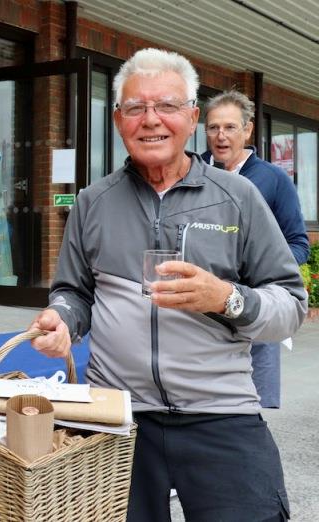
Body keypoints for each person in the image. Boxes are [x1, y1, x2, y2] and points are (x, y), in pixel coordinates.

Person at [30, 48, 306, 521]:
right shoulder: (93, 202)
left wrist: (227, 297)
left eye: (167, 106)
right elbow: (73, 292)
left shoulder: (238, 198)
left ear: (193, 117)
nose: (150, 120)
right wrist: (63, 320)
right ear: (118, 120)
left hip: (221, 412)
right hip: (115, 416)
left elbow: (291, 305)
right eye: (136, 108)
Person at [201, 90, 309, 408]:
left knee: (250, 409)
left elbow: (298, 243)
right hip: (199, 312)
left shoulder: (273, 180)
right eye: (213, 127)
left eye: (230, 127)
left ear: (248, 130)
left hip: (253, 307)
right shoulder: (191, 173)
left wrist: (261, 269)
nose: (221, 136)